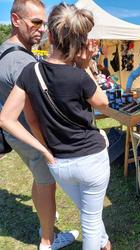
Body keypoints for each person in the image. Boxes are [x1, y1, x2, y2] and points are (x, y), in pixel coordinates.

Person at [0, 3, 111, 250]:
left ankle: (104, 241)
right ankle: (99, 241)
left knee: (87, 210)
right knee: (91, 220)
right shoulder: (79, 75)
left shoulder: (30, 71)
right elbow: (104, 104)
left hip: (60, 163)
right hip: (91, 159)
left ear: (51, 35)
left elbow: (11, 119)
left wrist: (44, 149)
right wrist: (86, 67)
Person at [0, 0, 78, 249]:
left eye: (43, 23)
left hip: (17, 133)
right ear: (15, 20)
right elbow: (41, 110)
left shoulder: (8, 49)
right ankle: (48, 240)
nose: (42, 28)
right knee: (47, 182)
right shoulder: (21, 62)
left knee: (39, 177)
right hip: (29, 134)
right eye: (35, 22)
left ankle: (45, 218)